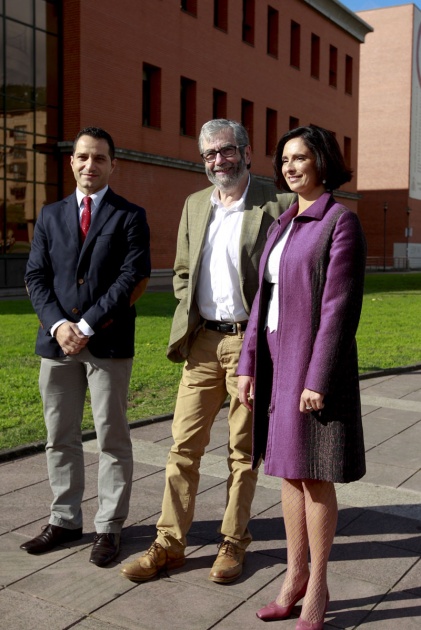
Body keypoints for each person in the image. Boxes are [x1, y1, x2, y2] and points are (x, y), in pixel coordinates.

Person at [120, 118, 295, 584]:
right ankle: (170, 543)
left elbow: (287, 277)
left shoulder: (277, 203)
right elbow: (182, 270)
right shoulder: (195, 205)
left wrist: (264, 339)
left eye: (226, 151)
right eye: (210, 155)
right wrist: (188, 307)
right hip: (203, 341)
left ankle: (233, 543)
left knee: (243, 452)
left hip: (250, 343)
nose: (219, 161)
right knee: (182, 447)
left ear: (246, 150)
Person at [237, 125, 366, 629]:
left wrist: (318, 378)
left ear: (323, 163)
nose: (290, 167)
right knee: (286, 470)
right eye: (285, 159)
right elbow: (259, 305)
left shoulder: (339, 222)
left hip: (310, 365)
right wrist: (248, 364)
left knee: (314, 475)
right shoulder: (281, 223)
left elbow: (338, 310)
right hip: (274, 358)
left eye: (301, 158)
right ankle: (293, 577)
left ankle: (317, 588)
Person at [21, 126, 151, 567]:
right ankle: (65, 519)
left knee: (111, 438)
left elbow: (131, 278)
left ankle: (110, 526)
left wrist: (87, 324)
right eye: (82, 157)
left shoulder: (130, 216)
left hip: (107, 344)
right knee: (59, 437)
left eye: (98, 158)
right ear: (71, 161)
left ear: (113, 164)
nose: (89, 165)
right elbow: (35, 277)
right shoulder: (50, 214)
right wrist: (60, 326)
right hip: (56, 346)